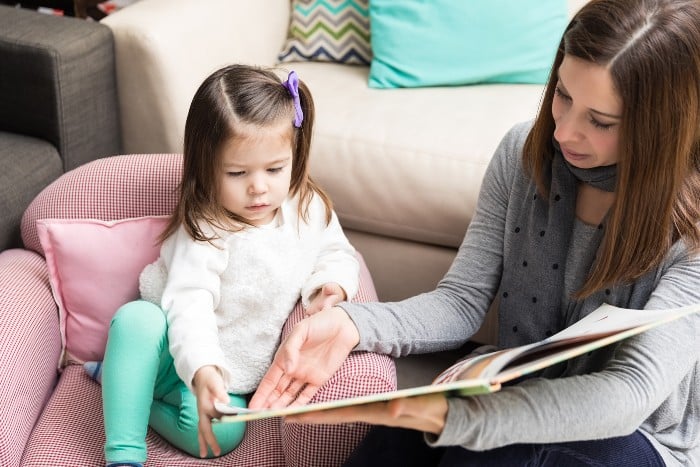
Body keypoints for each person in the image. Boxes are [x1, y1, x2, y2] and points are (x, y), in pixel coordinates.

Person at [249, 0, 700, 465]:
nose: (564, 132)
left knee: (482, 444)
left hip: (636, 433)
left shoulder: (692, 226)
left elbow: (631, 391)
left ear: (659, 128)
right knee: (394, 440)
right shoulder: (524, 154)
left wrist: (467, 421)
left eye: (600, 122)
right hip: (517, 383)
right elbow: (461, 301)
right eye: (563, 95)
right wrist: (354, 322)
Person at [95, 64, 360, 467]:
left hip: (233, 368)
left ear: (295, 155)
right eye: (237, 173)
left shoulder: (309, 207)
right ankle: (124, 450)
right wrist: (201, 368)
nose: (259, 187)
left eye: (275, 169)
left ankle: (123, 386)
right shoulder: (205, 227)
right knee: (137, 320)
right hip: (173, 347)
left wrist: (333, 285)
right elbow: (189, 303)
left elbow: (338, 253)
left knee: (221, 435)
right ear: (206, 168)